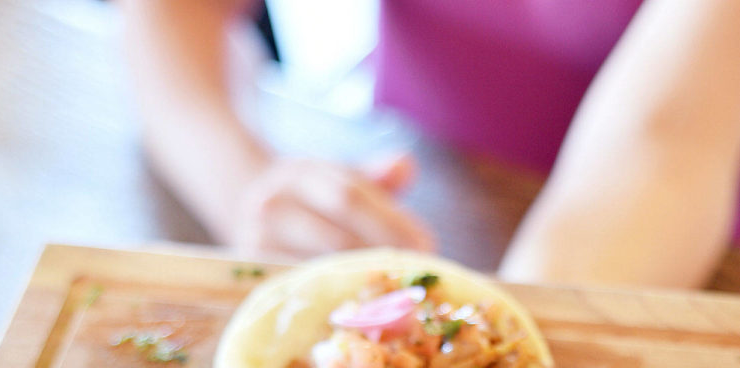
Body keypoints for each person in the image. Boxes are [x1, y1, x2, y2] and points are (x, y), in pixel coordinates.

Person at [117, 0, 740, 289]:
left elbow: (665, 148)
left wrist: (497, 350)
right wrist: (246, 189)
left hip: (662, 249)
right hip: (423, 171)